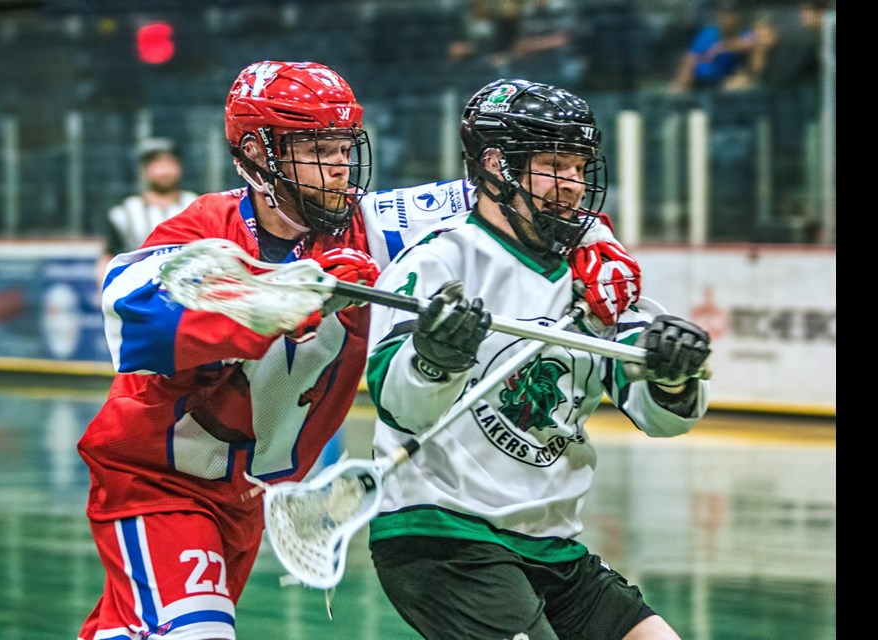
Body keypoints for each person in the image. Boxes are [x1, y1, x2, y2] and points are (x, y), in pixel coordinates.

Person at [78, 60, 644, 640]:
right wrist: (285, 292)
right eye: (315, 148)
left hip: (243, 497)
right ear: (256, 152)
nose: (338, 168)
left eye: (344, 147)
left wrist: (598, 244)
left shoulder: (373, 227)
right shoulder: (210, 225)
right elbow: (129, 313)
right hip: (158, 483)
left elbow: (519, 194)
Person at [364, 79, 712, 639]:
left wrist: (671, 376)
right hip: (445, 537)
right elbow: (400, 407)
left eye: (579, 167)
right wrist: (434, 358)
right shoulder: (437, 262)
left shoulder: (595, 268)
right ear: (499, 166)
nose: (573, 185)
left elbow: (662, 417)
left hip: (552, 545)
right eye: (555, 164)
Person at [96, 137, 199, 285]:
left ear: (180, 167)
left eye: (170, 163)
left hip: (188, 290)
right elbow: (109, 256)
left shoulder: (196, 205)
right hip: (137, 292)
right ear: (145, 170)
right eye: (157, 164)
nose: (164, 171)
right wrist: (105, 289)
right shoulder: (125, 212)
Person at [669, 1, 755, 93]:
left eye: (731, 14)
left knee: (740, 82)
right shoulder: (708, 34)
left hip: (726, 81)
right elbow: (691, 58)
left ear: (738, 16)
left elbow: (751, 43)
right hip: (701, 81)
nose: (727, 18)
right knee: (683, 74)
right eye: (723, 14)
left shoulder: (745, 33)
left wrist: (722, 47)